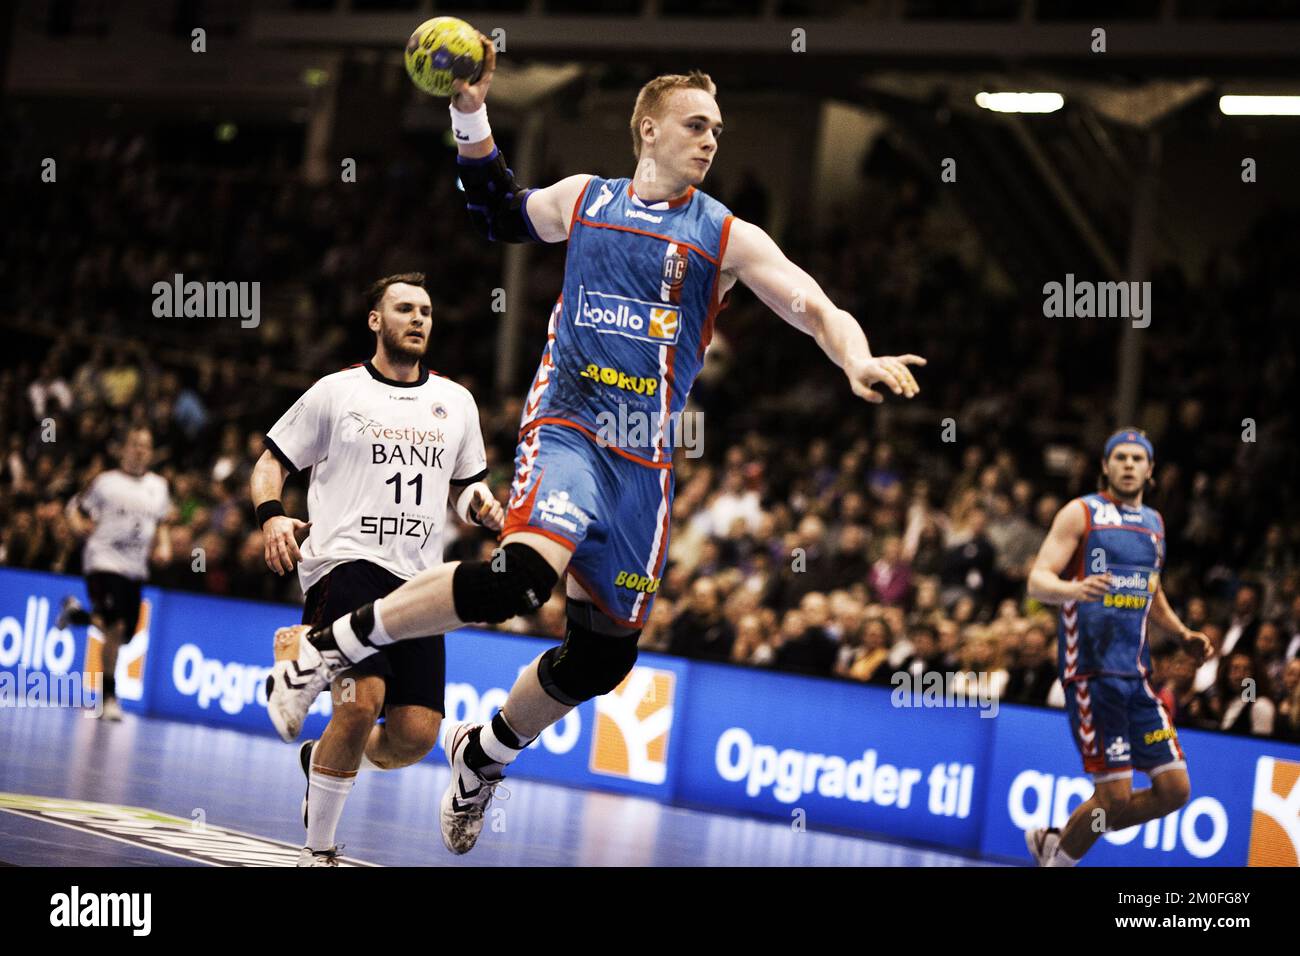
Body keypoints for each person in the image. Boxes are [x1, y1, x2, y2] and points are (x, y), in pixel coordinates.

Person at [265, 46, 925, 856]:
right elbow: (500, 212)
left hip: (643, 468)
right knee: (520, 576)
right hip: (569, 428)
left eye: (717, 129)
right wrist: (469, 111)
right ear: (647, 129)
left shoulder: (724, 233)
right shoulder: (587, 199)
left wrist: (856, 357)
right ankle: (328, 648)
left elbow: (814, 305)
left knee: (603, 658)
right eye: (695, 125)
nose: (710, 140)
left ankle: (484, 753)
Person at [251, 273, 503, 866]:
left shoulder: (456, 403)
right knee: (359, 702)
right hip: (346, 566)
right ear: (375, 320)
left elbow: (464, 488)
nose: (418, 319)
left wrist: (482, 506)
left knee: (412, 737)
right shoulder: (336, 392)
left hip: (418, 584)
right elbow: (270, 464)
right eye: (405, 308)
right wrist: (271, 517)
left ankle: (321, 761)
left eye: (426, 311)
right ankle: (318, 853)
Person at [1022, 429, 1212, 867]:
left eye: (1137, 458)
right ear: (1105, 467)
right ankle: (1059, 862)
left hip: (1137, 679)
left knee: (1174, 791)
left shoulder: (1155, 523)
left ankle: (1056, 838)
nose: (1128, 464)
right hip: (1092, 674)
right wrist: (1074, 588)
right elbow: (1037, 581)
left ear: (1151, 470)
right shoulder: (1080, 513)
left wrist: (1182, 633)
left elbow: (1151, 588)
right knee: (1114, 798)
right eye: (1120, 457)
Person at [57, 426, 172, 721]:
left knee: (124, 635)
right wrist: (75, 524)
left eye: (145, 446)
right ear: (124, 448)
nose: (139, 450)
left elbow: (161, 523)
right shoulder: (105, 482)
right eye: (134, 444)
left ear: (151, 452)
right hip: (103, 560)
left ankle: (75, 615)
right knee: (116, 625)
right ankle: (108, 697)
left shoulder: (158, 486)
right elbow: (75, 507)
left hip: (135, 568)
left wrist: (164, 545)